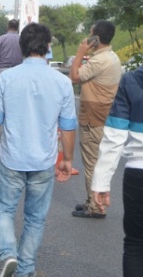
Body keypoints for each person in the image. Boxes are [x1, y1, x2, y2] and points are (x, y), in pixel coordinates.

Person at [0, 23, 77, 277]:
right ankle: (25, 270)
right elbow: (68, 126)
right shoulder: (62, 82)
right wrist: (67, 159)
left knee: (4, 209)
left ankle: (8, 253)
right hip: (43, 161)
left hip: (12, 159)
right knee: (35, 218)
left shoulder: (7, 79)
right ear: (47, 48)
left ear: (22, 47)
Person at [91, 65, 143, 277]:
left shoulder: (131, 80)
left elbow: (114, 137)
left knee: (136, 244)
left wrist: (101, 182)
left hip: (138, 171)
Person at [69, 20, 122, 219]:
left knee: (91, 162)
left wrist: (81, 52)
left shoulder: (99, 61)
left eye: (90, 35)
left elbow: (74, 76)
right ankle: (92, 200)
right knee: (97, 162)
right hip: (103, 115)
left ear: (96, 39)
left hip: (93, 117)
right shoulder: (111, 56)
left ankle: (95, 207)